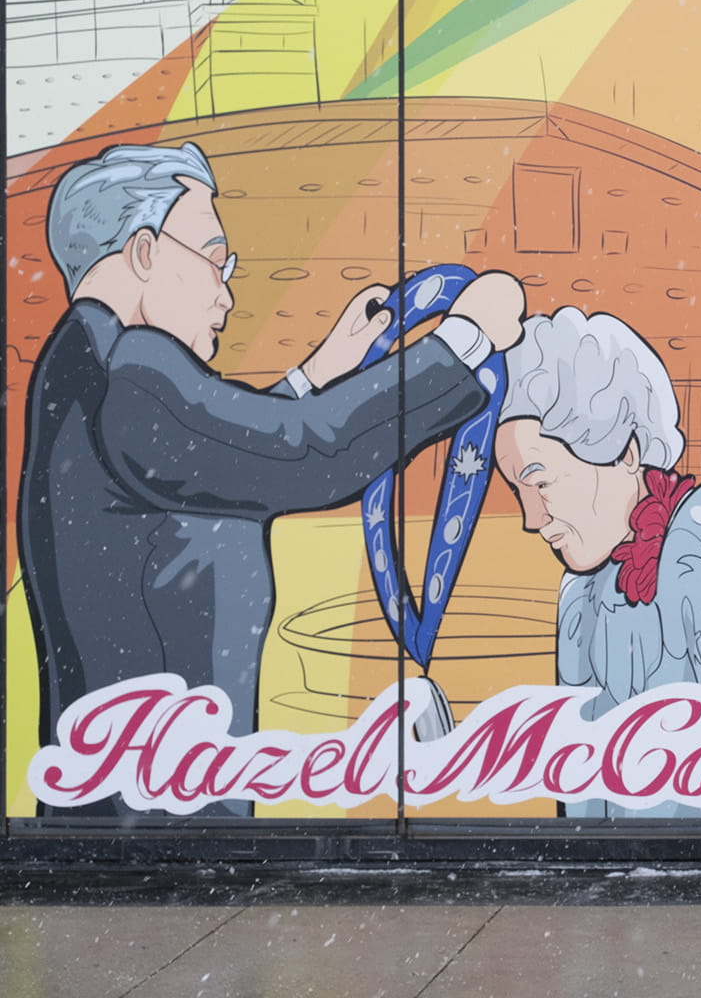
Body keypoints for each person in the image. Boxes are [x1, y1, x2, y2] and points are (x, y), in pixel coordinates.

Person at [19, 141, 523, 812]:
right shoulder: (130, 375)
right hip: (158, 817)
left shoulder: (90, 363)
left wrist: (317, 375)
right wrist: (461, 346)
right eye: (211, 257)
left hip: (141, 796)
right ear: (143, 252)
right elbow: (302, 458)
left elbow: (219, 462)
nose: (225, 291)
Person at [494, 307, 701, 819]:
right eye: (517, 490)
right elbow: (585, 798)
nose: (531, 518)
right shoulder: (582, 595)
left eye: (540, 482)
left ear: (627, 452)